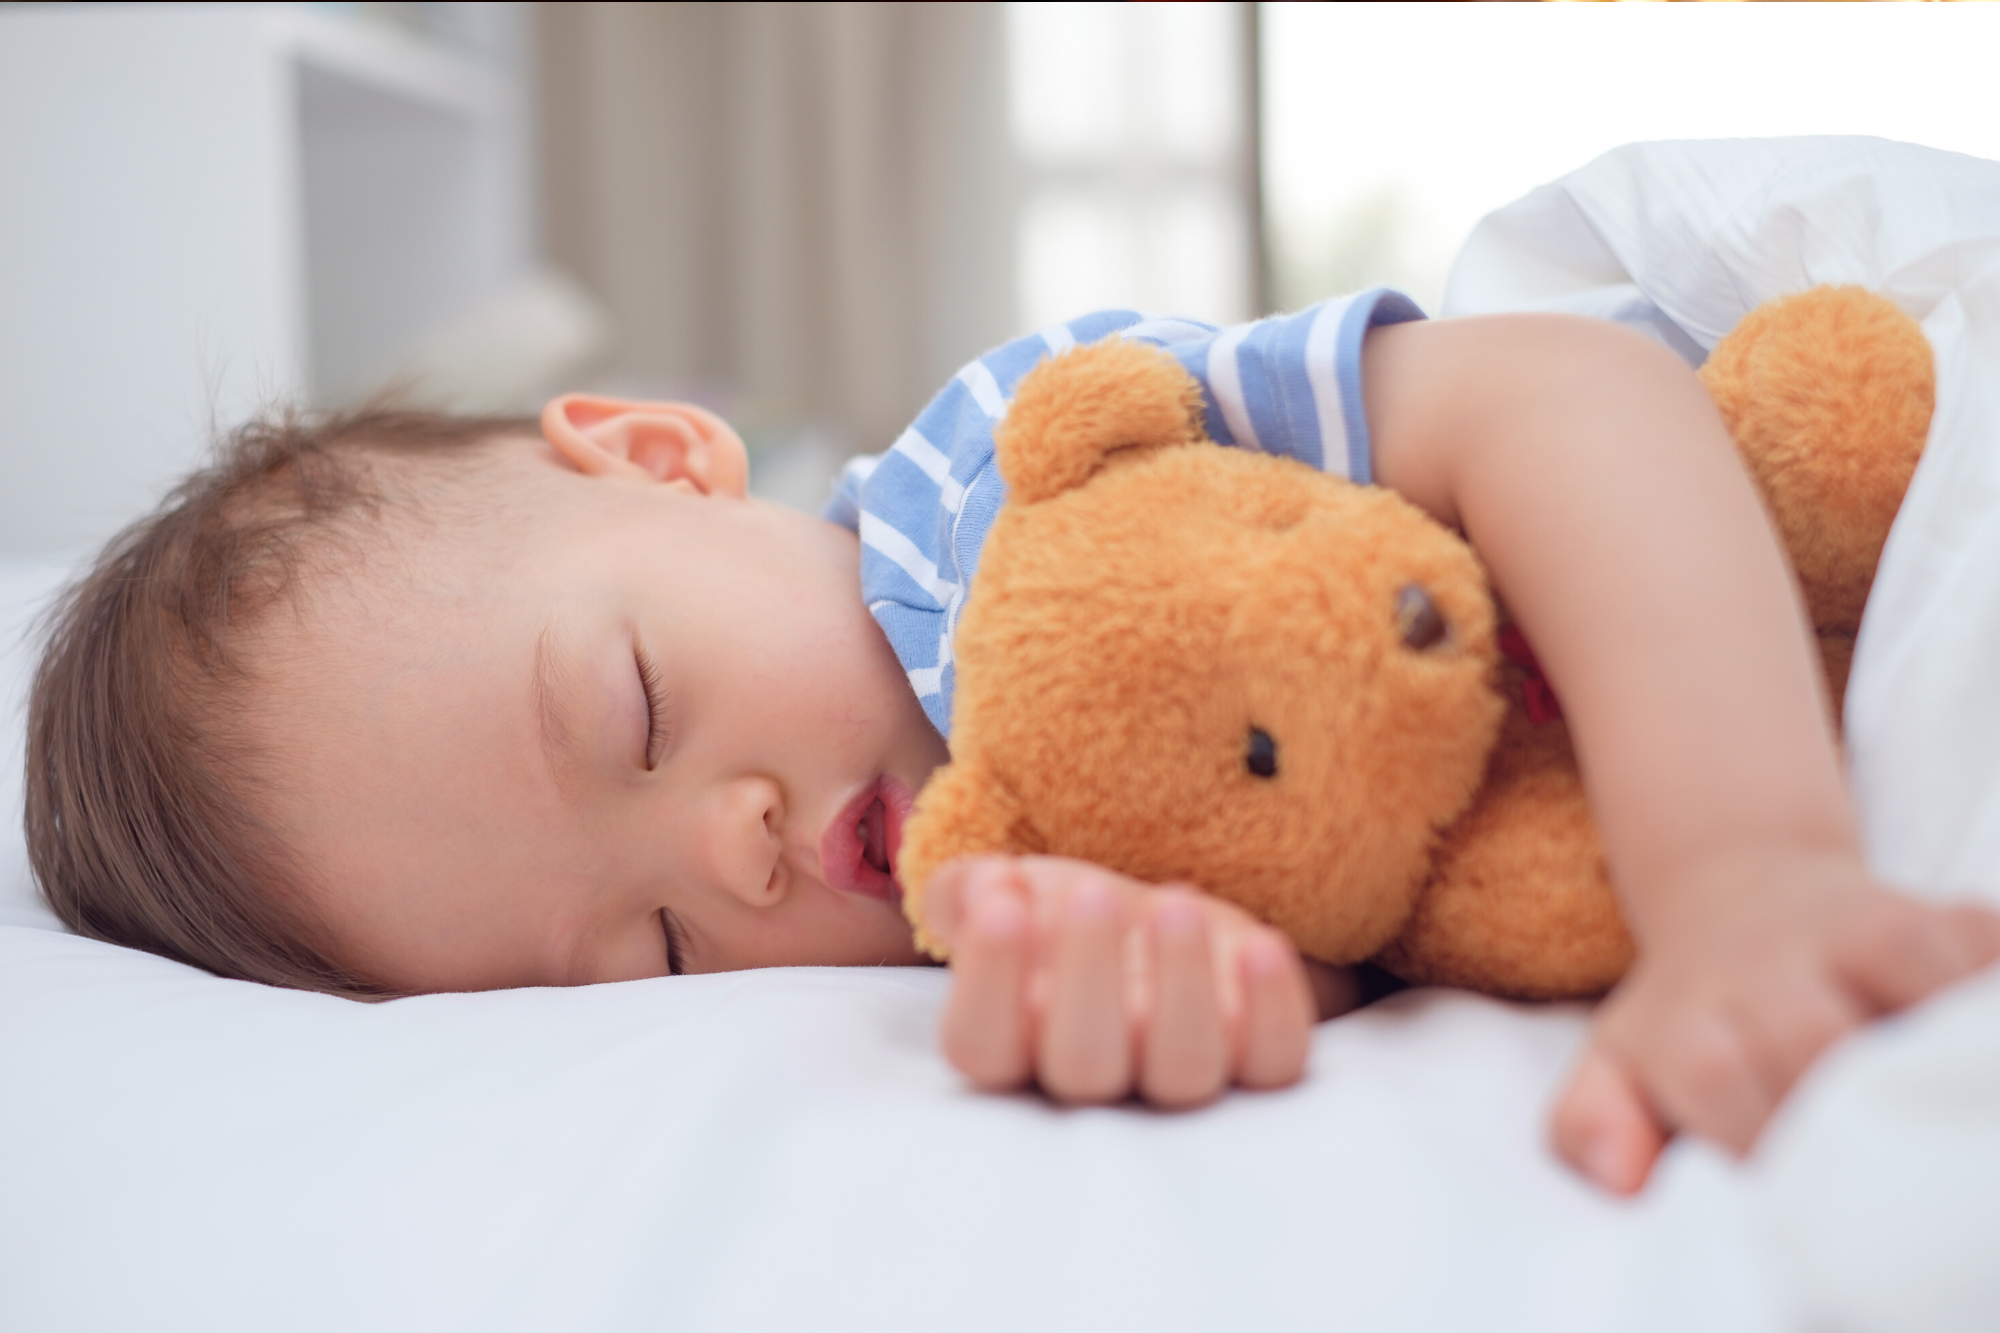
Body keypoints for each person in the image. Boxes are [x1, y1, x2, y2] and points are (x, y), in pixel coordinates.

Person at [27, 291, 2000, 1200]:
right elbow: (1345, 856)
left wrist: (1736, 871)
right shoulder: (977, 920)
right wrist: (1216, 992)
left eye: (634, 712)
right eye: (652, 953)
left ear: (663, 460)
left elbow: (1551, 397)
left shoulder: (1022, 465)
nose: (735, 857)